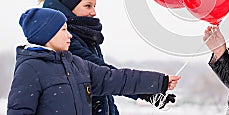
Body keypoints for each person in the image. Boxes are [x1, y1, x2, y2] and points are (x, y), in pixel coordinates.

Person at [35, 0, 177, 114]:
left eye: (94, 6)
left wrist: (148, 94)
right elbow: (105, 76)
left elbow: (105, 89)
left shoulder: (84, 36)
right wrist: (150, 88)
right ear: (68, 7)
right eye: (88, 6)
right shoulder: (65, 41)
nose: (94, 12)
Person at [7, 8, 180, 115]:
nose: (69, 35)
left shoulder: (77, 64)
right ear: (47, 34)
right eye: (63, 30)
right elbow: (19, 111)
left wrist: (160, 81)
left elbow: (116, 78)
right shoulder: (30, 68)